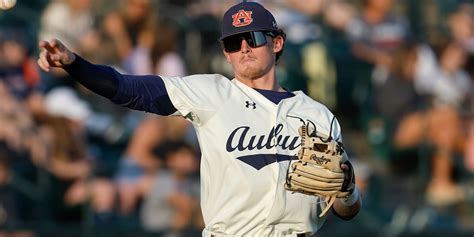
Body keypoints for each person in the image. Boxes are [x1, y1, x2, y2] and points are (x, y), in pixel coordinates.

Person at [37, 1, 361, 236]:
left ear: (277, 43)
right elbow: (127, 88)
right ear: (225, 53)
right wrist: (74, 63)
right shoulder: (210, 93)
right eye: (234, 42)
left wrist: (347, 190)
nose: (245, 47)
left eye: (255, 37)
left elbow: (347, 210)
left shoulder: (317, 115)